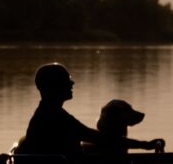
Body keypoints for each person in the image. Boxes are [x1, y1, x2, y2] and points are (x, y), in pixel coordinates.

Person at [16, 63, 162, 159]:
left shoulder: (49, 113)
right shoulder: (54, 117)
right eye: (67, 79)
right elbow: (100, 139)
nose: (72, 83)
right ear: (53, 86)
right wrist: (145, 145)